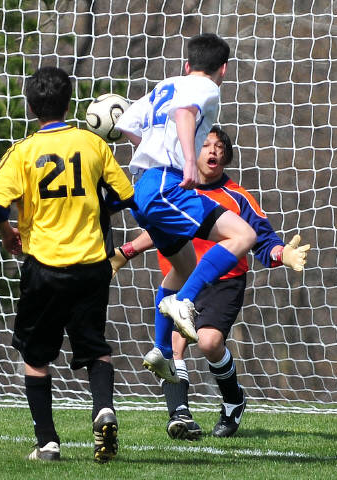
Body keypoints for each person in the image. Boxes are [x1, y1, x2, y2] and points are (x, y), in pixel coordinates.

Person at [111, 126, 310, 439]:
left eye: (219, 146)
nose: (213, 151)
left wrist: (282, 253)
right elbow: (159, 227)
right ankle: (180, 415)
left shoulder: (236, 196)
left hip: (223, 282)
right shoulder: (174, 188)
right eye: (204, 145)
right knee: (173, 346)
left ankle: (234, 400)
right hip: (184, 280)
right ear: (189, 151)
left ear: (226, 156)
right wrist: (127, 251)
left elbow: (262, 238)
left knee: (209, 343)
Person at [0, 67, 135, 463]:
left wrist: (8, 233)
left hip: (45, 267)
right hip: (91, 265)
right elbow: (124, 195)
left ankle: (48, 442)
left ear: (31, 107)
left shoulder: (23, 151)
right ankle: (104, 409)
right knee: (95, 346)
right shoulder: (92, 143)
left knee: (35, 357)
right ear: (69, 104)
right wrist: (94, 210)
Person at [115, 33, 260, 384]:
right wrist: (188, 164)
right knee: (244, 236)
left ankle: (161, 349)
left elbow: (125, 124)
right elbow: (183, 113)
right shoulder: (206, 87)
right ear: (223, 69)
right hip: (168, 184)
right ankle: (186, 302)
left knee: (182, 268)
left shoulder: (165, 84)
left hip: (144, 187)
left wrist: (151, 153)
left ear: (186, 64)